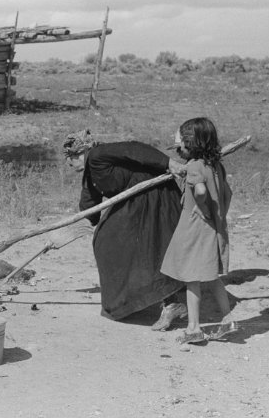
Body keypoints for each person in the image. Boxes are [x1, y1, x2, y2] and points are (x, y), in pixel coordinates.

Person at [61, 130, 189, 328]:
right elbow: (90, 203)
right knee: (105, 240)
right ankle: (129, 301)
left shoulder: (98, 154)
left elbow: (134, 148)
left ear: (82, 153)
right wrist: (69, 232)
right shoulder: (91, 173)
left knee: (141, 244)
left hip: (156, 197)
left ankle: (172, 303)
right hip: (138, 202)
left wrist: (169, 164)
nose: (69, 163)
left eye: (70, 157)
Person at [160, 118, 236, 344]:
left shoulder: (194, 166)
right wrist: (215, 214)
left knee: (192, 279)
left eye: (181, 144)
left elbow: (200, 190)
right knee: (212, 276)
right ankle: (228, 320)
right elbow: (227, 193)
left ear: (190, 144)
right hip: (212, 227)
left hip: (194, 229)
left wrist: (202, 209)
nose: (178, 149)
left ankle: (194, 328)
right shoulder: (215, 166)